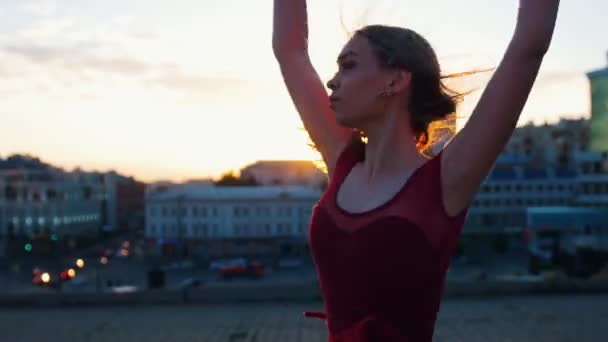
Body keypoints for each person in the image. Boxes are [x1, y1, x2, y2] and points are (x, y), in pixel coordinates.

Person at [272, 1, 560, 341]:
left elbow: (530, 43)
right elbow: (290, 50)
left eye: (348, 66)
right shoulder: (343, 161)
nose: (332, 82)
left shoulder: (445, 181)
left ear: (395, 80)